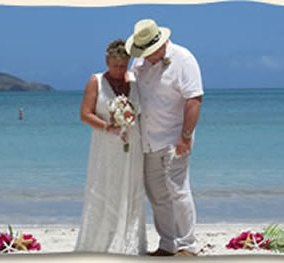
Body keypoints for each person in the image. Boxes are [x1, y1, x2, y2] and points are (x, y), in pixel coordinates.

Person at [125, 19, 204, 256]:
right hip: (147, 140)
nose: (147, 56)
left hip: (174, 137)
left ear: (163, 43)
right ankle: (167, 244)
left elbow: (194, 99)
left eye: (150, 52)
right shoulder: (140, 61)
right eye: (144, 52)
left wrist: (186, 136)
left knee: (178, 190)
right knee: (156, 194)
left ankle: (188, 245)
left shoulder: (183, 59)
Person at [75, 39, 146, 255]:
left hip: (132, 145)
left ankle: (130, 243)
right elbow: (85, 114)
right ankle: (102, 244)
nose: (119, 70)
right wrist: (108, 126)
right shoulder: (95, 81)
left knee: (132, 190)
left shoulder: (135, 81)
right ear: (107, 61)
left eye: (123, 66)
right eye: (115, 65)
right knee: (105, 189)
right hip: (105, 146)